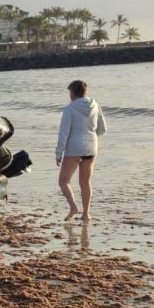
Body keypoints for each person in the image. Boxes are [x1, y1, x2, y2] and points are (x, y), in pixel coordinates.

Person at [55, 79, 106, 222]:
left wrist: (59, 153)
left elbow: (63, 133)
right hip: (91, 147)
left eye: (69, 93)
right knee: (85, 182)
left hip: (74, 148)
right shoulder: (95, 104)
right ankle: (86, 213)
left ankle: (73, 207)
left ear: (73, 93)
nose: (69, 96)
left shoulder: (69, 109)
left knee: (63, 181)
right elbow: (102, 129)